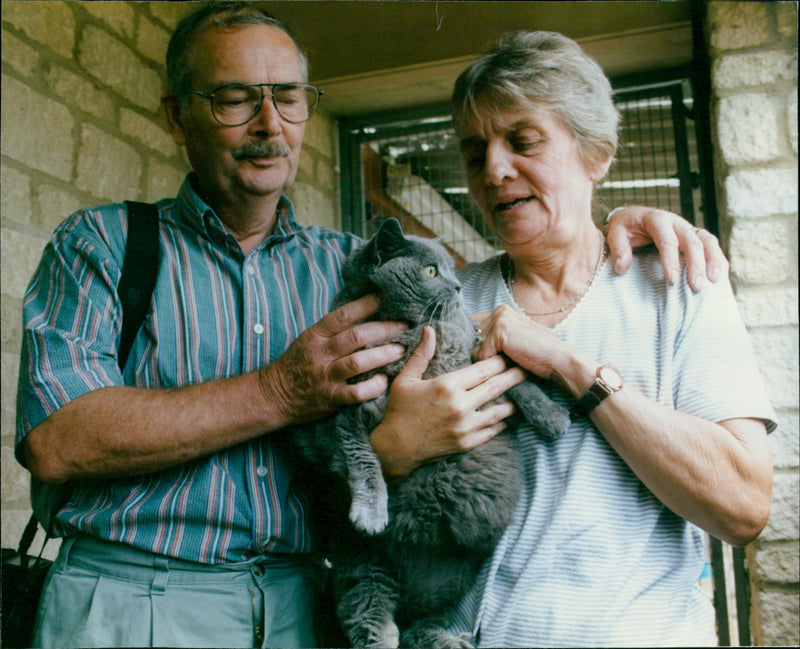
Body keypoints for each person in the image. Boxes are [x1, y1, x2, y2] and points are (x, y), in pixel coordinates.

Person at [14, 4, 728, 647]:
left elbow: (478, 285)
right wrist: (283, 390)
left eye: (288, 98)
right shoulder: (105, 245)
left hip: (305, 605)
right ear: (177, 117)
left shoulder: (346, 267)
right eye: (235, 99)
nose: (270, 125)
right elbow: (55, 442)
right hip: (135, 599)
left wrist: (618, 223)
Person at [375, 31, 775, 647]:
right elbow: (368, 487)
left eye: (523, 141)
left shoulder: (679, 281)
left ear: (596, 153)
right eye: (475, 149)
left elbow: (743, 506)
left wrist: (570, 366)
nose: (494, 169)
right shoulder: (444, 303)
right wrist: (389, 452)